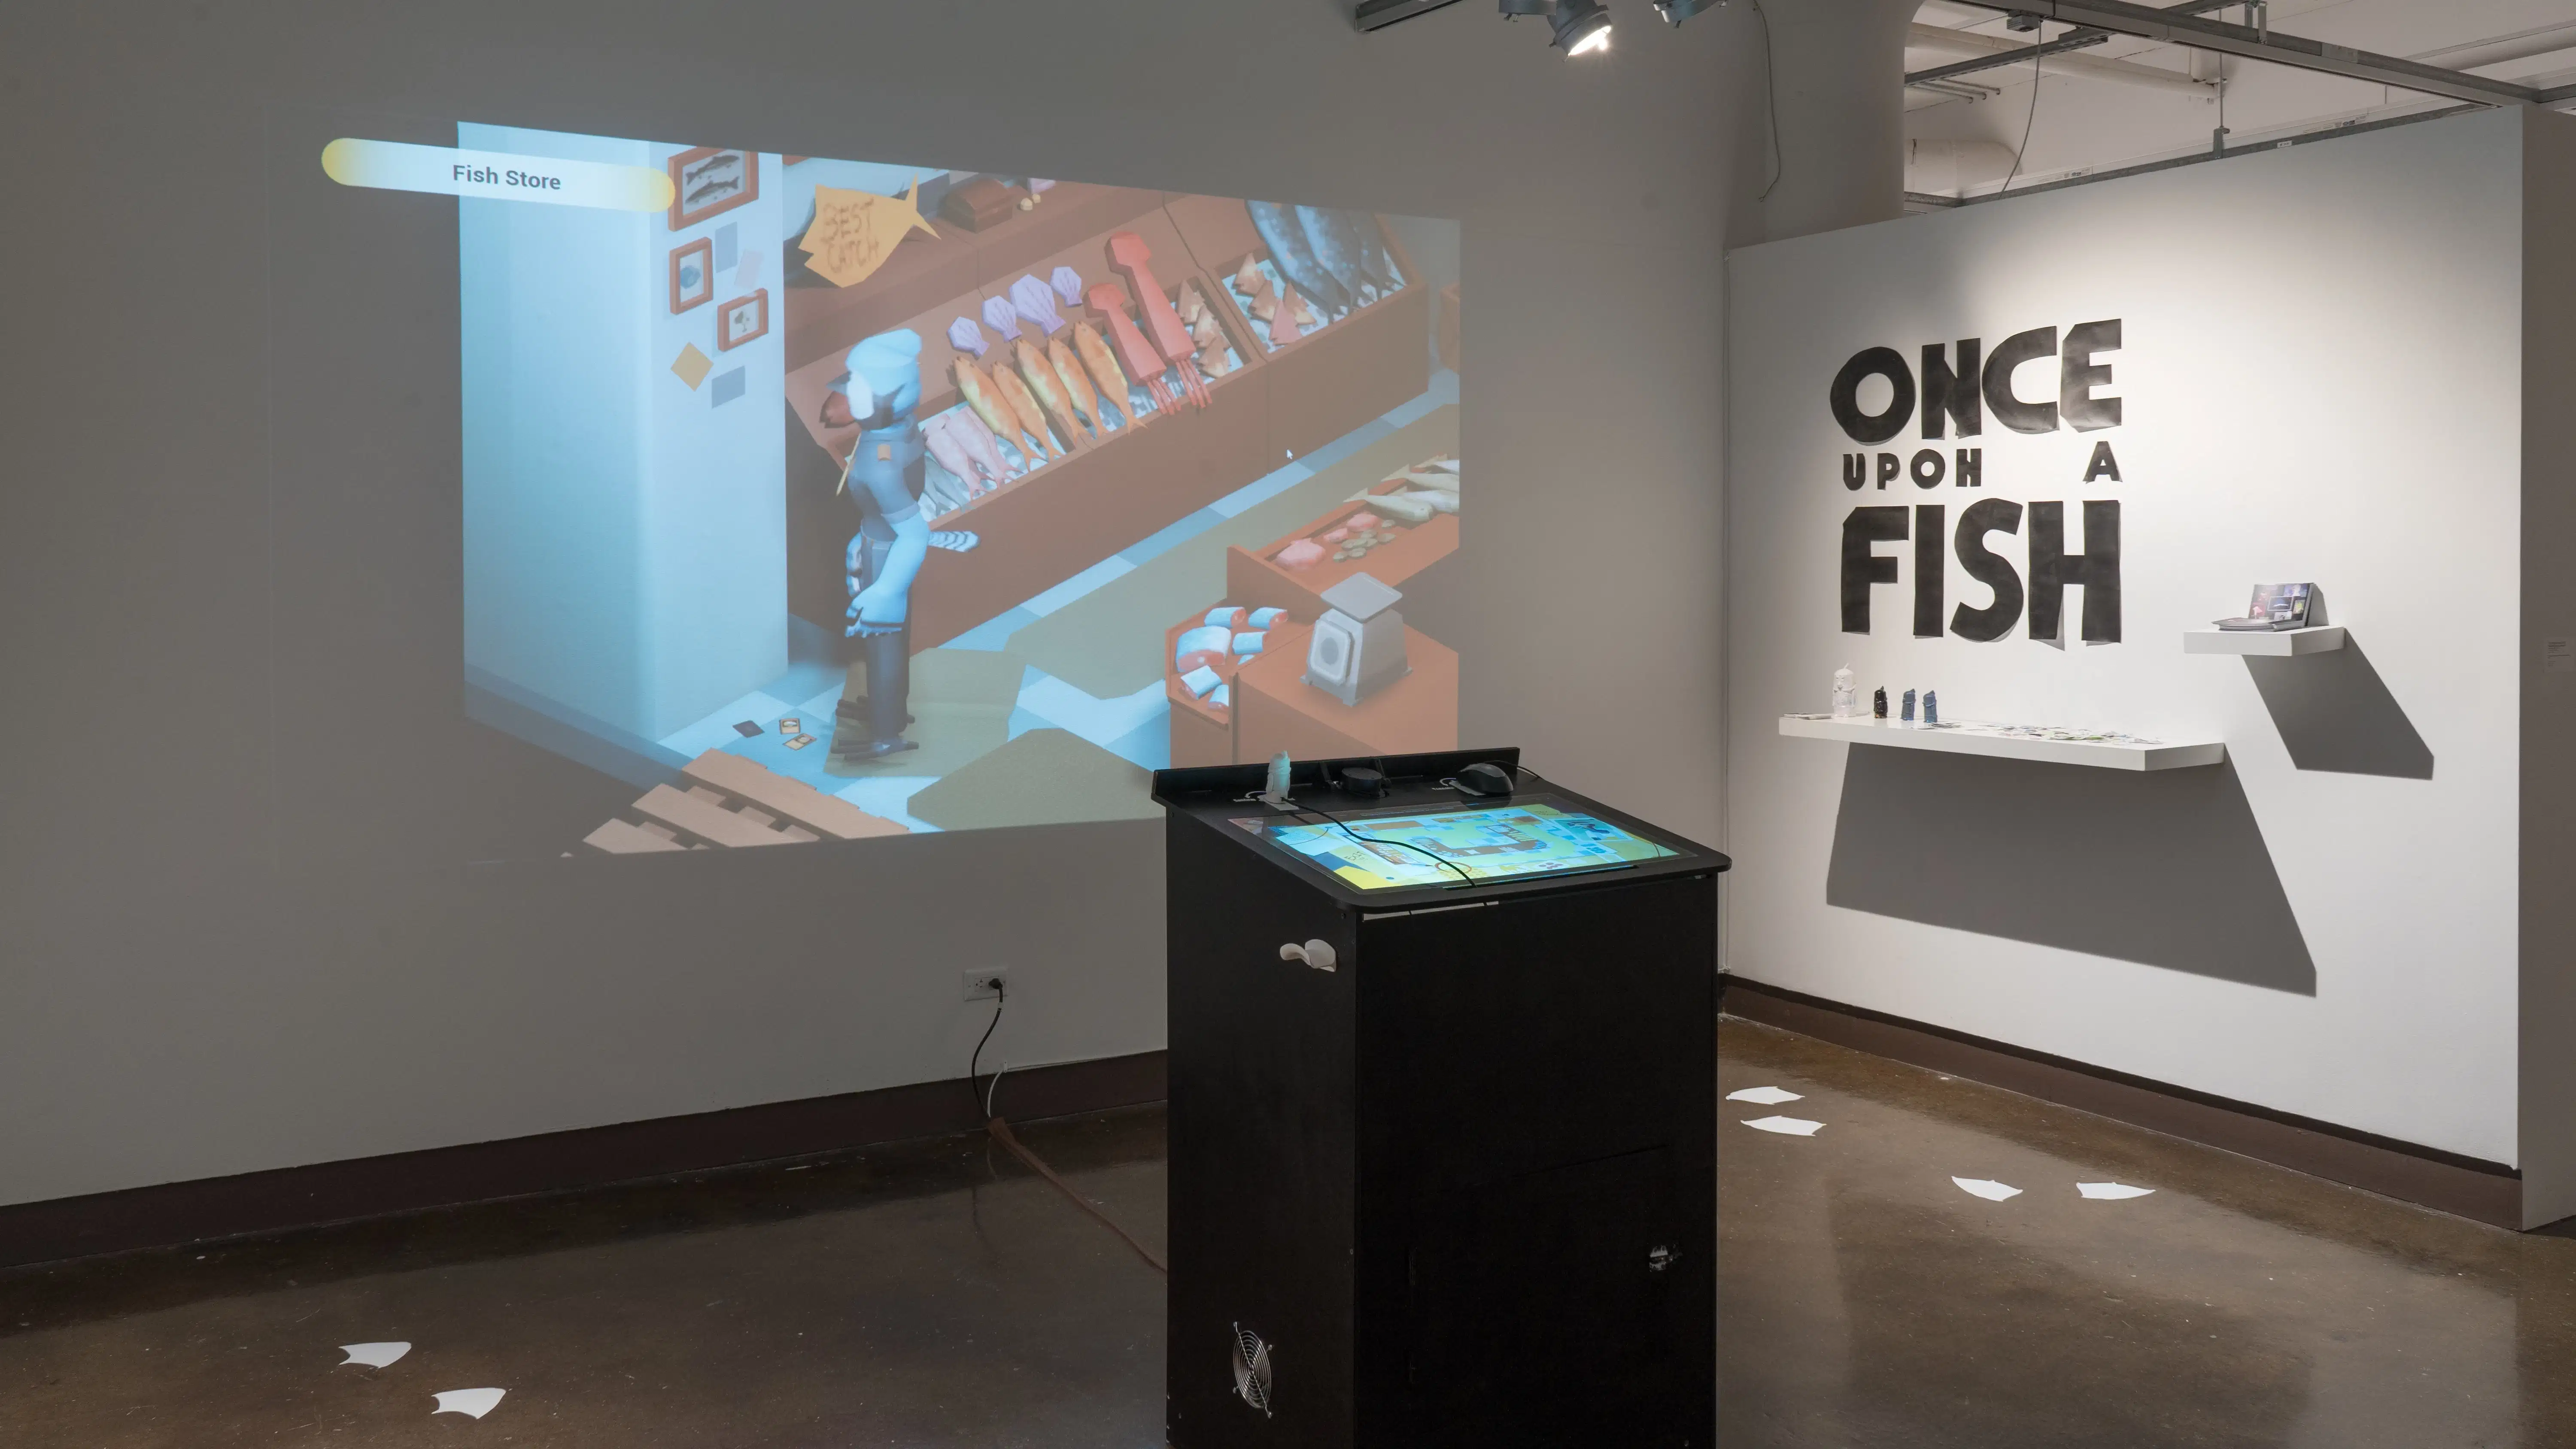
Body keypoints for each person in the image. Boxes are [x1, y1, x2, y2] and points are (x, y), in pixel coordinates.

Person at [825, 330, 930, 761]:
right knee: (894, 638)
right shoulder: (903, 429)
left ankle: (886, 733)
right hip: (877, 538)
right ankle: (893, 711)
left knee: (882, 643)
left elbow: (914, 532)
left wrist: (886, 589)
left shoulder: (879, 465)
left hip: (886, 554)